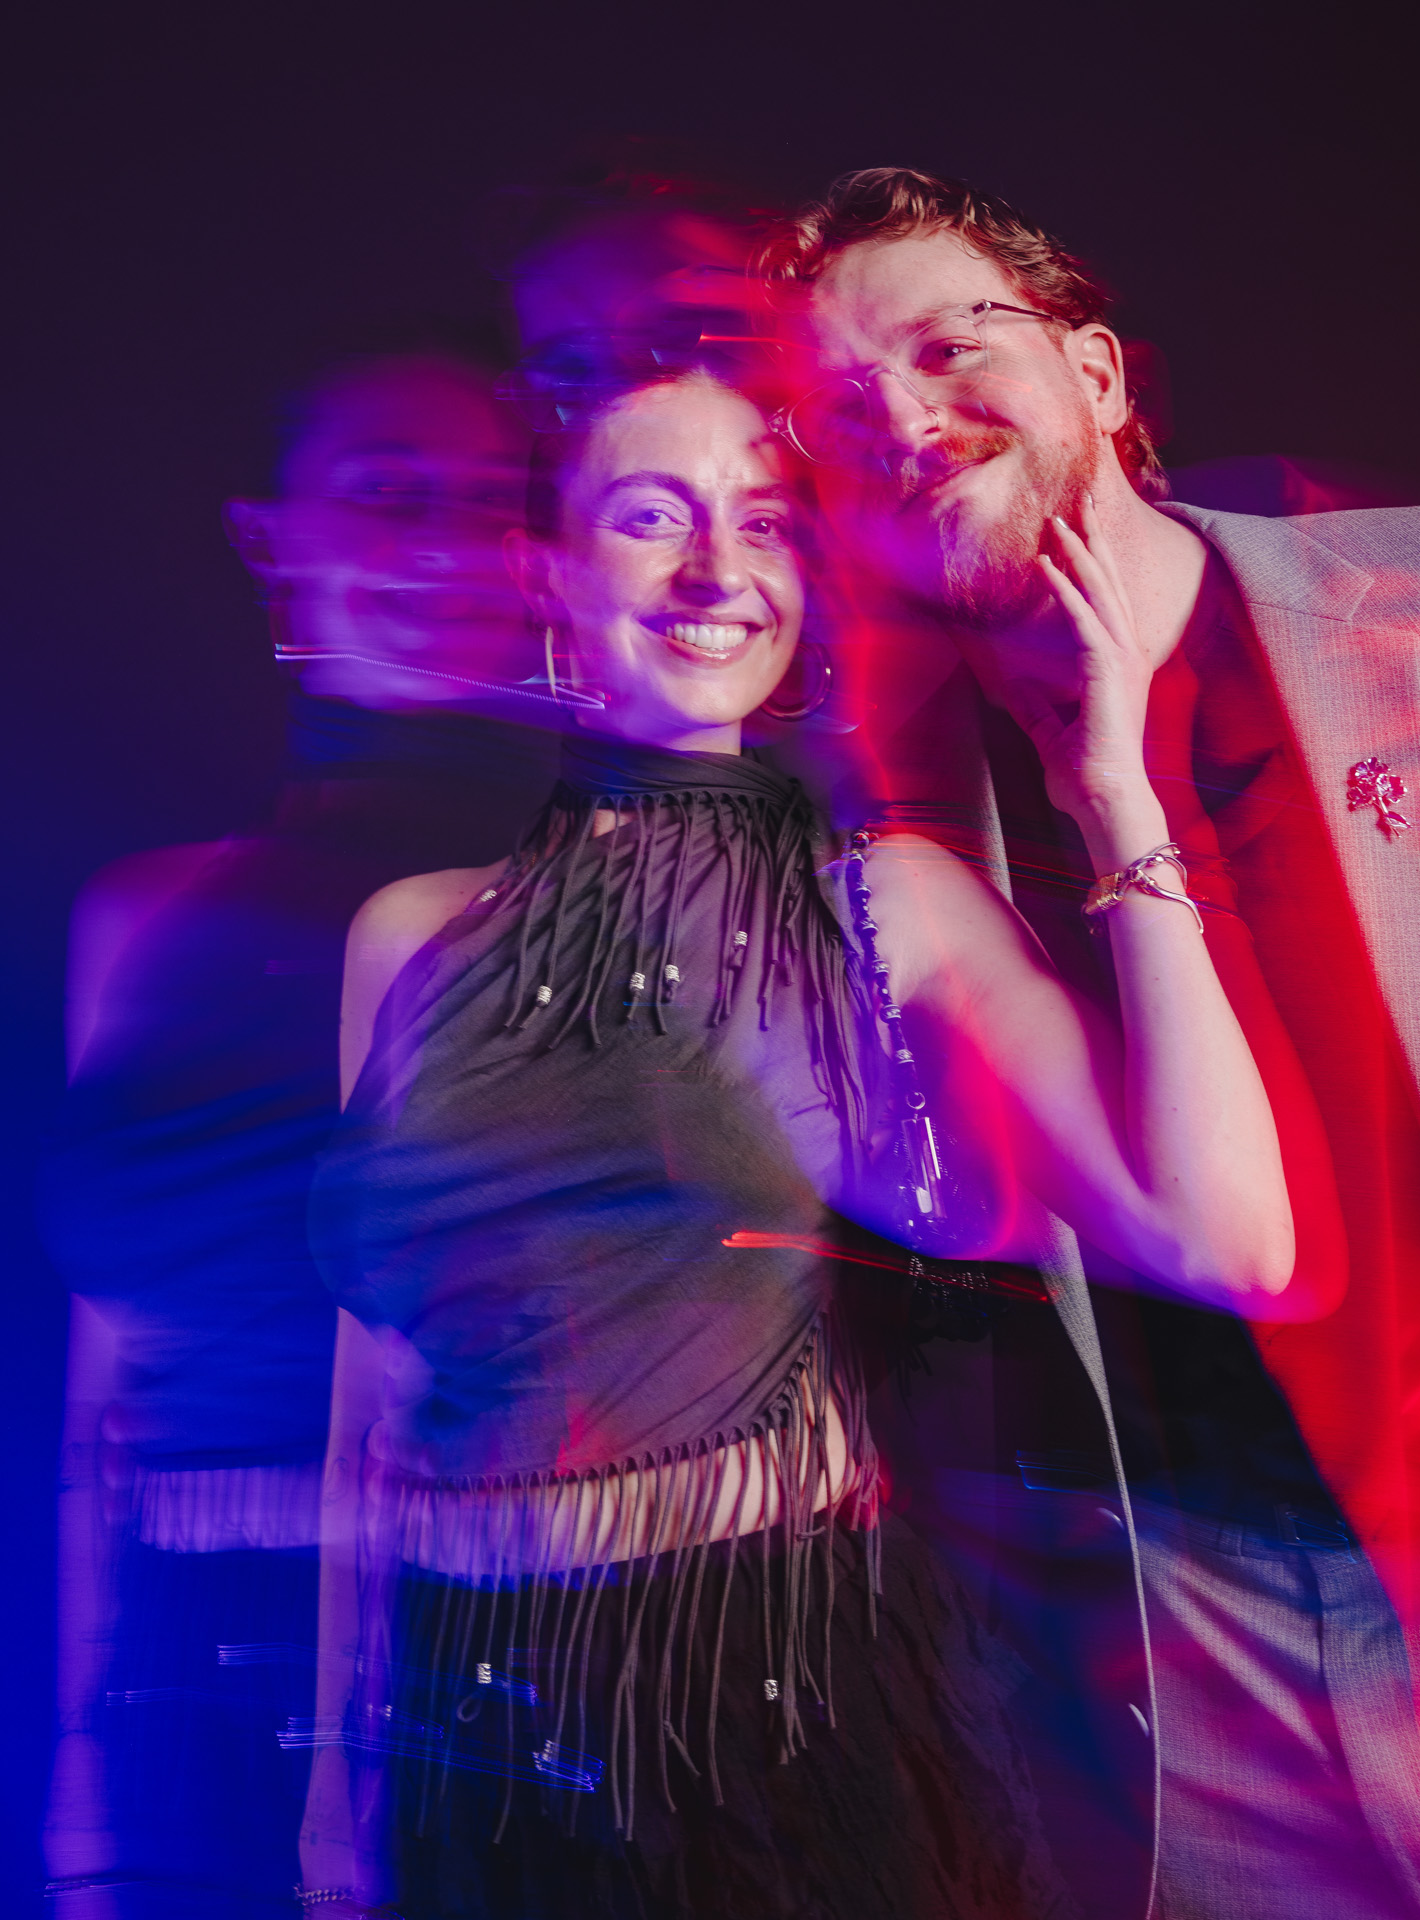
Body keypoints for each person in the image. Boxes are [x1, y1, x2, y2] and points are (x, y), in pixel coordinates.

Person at [298, 342, 1302, 1920]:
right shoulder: (406, 936)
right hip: (468, 1739)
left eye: (763, 523)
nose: (719, 568)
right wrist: (335, 1784)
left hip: (766, 1720)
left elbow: (1223, 1236)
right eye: (652, 515)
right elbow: (374, 1391)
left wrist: (1118, 798)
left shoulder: (883, 904)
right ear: (549, 566)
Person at [761, 166, 1420, 1919]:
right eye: (840, 404)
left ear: (1100, 369)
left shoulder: (1417, 609)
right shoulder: (893, 829)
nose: (900, 416)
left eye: (947, 346)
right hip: (1188, 1678)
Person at [40, 349, 563, 1919]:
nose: (445, 544)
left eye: (491, 504)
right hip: (174, 1698)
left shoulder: (591, 908)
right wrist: (78, 1777)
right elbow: (98, 1393)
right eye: (390, 494)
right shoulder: (145, 916)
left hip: (487, 1677)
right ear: (271, 538)